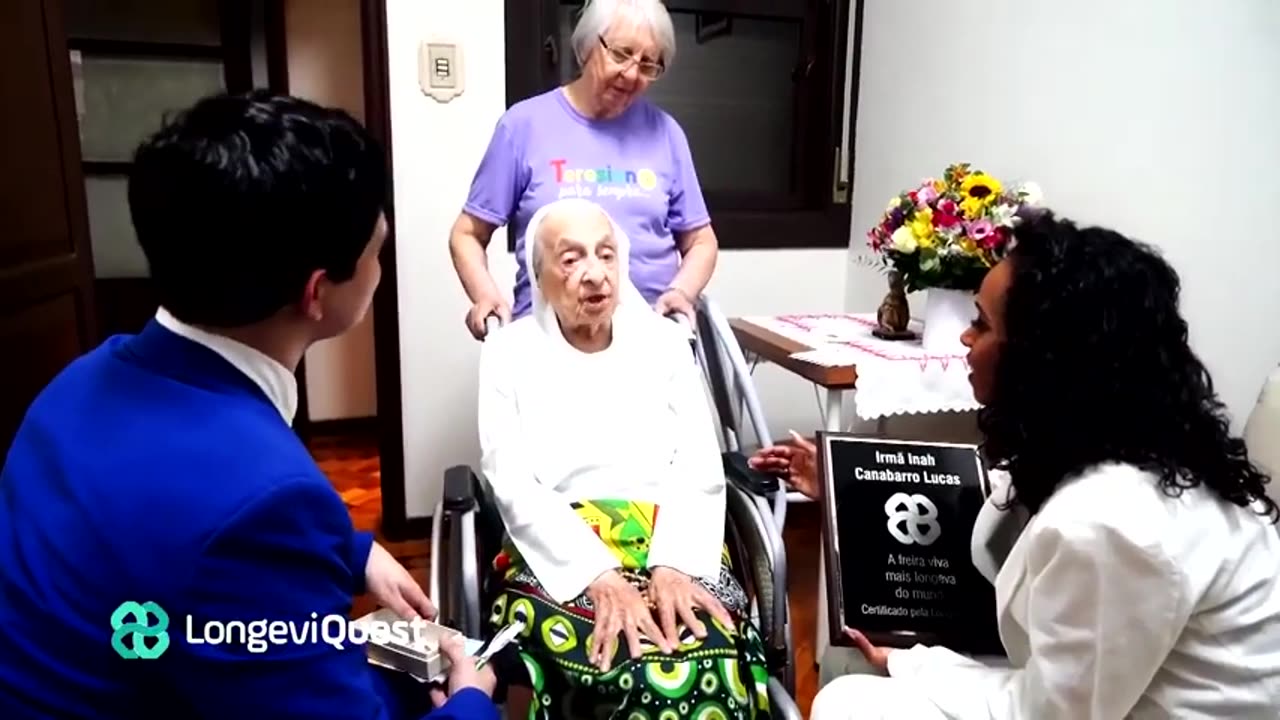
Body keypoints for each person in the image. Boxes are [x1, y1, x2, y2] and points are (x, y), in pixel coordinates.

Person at [0, 92, 497, 720]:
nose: (380, 266)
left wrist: (352, 549)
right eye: (379, 252)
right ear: (318, 292)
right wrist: (474, 701)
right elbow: (219, 525)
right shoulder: (263, 500)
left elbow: (164, 541)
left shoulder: (75, 384)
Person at [755, 211, 1280, 718]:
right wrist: (847, 487)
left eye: (981, 324)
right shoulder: (1135, 442)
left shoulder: (1113, 522)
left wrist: (916, 664)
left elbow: (1048, 714)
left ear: (1042, 356)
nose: (964, 337)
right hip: (1103, 693)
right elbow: (983, 503)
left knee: (849, 705)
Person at [476, 198, 771, 719]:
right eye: (571, 259)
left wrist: (673, 562)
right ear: (540, 275)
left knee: (708, 653)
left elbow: (700, 464)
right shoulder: (509, 354)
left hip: (677, 535)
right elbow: (512, 484)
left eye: (606, 255)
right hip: (557, 551)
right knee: (627, 666)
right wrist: (598, 575)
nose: (595, 275)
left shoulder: (665, 344)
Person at [450, 0, 718, 339]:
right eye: (621, 54)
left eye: (649, 64)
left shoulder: (666, 134)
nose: (633, 74)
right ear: (589, 45)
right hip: (547, 340)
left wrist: (681, 292)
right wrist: (485, 295)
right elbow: (467, 234)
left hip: (649, 341)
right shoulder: (523, 125)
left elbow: (701, 242)